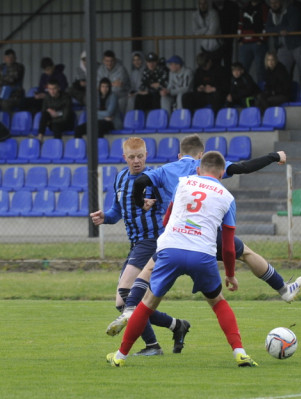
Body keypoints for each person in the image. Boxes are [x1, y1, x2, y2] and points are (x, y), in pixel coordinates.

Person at [107, 134, 301, 336]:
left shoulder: (165, 170)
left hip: (175, 238)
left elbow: (139, 181)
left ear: (179, 154)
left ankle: (131, 309)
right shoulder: (208, 168)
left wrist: (141, 202)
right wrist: (274, 156)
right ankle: (283, 290)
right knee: (245, 255)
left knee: (149, 269)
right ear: (201, 155)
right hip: (206, 238)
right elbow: (244, 167)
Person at [107, 150, 258, 367]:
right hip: (203, 254)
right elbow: (227, 246)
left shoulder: (184, 183)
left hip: (171, 249)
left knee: (147, 303)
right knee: (217, 302)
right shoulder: (227, 197)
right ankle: (240, 353)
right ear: (223, 173)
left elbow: (168, 218)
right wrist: (231, 274)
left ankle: (119, 357)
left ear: (198, 170)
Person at [91, 136, 190, 356]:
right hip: (136, 243)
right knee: (122, 302)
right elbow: (117, 212)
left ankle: (152, 346)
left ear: (147, 155)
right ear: (124, 157)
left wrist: (158, 202)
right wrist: (104, 217)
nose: (136, 161)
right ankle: (176, 325)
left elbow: (173, 203)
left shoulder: (155, 178)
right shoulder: (120, 179)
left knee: (127, 293)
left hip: (153, 240)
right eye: (132, 157)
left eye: (140, 156)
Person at [237, 0, 269, 81]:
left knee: (260, 70)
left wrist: (262, 40)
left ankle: (261, 93)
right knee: (242, 70)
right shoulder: (245, 7)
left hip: (258, 43)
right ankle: (243, 92)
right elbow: (240, 23)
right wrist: (239, 40)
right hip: (245, 43)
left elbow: (266, 24)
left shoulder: (264, 8)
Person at [96, 50, 131, 122]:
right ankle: (104, 118)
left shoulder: (121, 69)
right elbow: (98, 86)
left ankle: (119, 123)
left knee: (118, 99)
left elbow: (119, 87)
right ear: (103, 61)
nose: (109, 63)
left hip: (120, 96)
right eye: (107, 61)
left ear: (115, 60)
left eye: (111, 61)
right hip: (105, 96)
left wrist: (105, 86)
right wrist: (112, 83)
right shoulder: (100, 69)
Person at [192, 0, 222, 65]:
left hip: (216, 46)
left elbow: (213, 32)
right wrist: (206, 28)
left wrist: (201, 32)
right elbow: (195, 31)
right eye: (200, 3)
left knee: (216, 66)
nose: (203, 5)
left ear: (208, 4)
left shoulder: (214, 13)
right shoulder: (195, 15)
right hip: (204, 46)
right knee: (204, 66)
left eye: (205, 3)